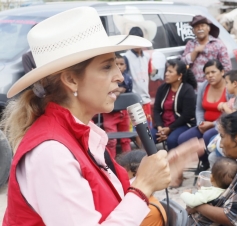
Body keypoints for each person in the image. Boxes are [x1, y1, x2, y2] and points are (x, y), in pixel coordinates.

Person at [0, 7, 171, 225]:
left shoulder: (81, 132)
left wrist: (150, 176)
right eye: (107, 67)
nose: (119, 76)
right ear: (71, 80)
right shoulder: (52, 153)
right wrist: (143, 187)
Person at [178, 59, 229, 170]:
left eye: (213, 72)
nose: (210, 76)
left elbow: (229, 112)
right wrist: (200, 123)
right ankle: (203, 161)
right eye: (207, 73)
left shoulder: (228, 88)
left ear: (222, 72)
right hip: (204, 124)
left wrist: (212, 124)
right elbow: (199, 109)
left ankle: (209, 165)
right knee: (182, 138)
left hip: (222, 125)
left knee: (208, 136)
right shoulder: (204, 86)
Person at [151, 59, 197, 150]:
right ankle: (153, 162)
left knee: (172, 140)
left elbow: (187, 115)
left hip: (182, 124)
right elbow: (156, 110)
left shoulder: (188, 90)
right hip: (163, 125)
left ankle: (174, 163)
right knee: (148, 138)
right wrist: (160, 127)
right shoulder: (162, 88)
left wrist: (170, 129)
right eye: (166, 71)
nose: (166, 74)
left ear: (180, 75)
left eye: (170, 72)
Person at [116, 150, 167, 226]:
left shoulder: (149, 209)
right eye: (124, 179)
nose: (128, 183)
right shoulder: (131, 201)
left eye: (133, 179)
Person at [182, 15, 232, 85]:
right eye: (197, 26)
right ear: (193, 31)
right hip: (194, 86)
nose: (200, 28)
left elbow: (227, 67)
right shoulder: (190, 44)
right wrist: (195, 51)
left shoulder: (218, 44)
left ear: (208, 28)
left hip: (212, 86)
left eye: (202, 26)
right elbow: (183, 64)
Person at [102, 53, 133, 158]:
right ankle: (112, 163)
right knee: (111, 140)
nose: (119, 67)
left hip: (124, 113)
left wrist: (117, 91)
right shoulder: (106, 78)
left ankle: (129, 160)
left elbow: (125, 88)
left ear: (126, 66)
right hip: (110, 113)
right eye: (116, 64)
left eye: (121, 64)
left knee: (126, 139)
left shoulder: (127, 77)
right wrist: (117, 90)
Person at [125, 26, 154, 128]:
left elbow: (149, 74)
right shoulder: (126, 57)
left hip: (145, 98)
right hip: (133, 99)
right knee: (136, 127)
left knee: (147, 127)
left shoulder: (147, 57)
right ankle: (139, 144)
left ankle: (146, 144)